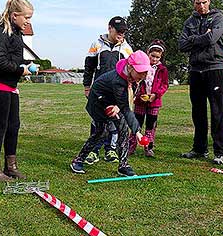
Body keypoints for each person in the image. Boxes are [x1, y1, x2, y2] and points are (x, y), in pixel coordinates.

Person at [70, 50, 151, 176]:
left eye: (145, 72)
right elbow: (125, 108)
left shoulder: (134, 79)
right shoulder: (118, 81)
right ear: (130, 67)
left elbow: (125, 101)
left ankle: (123, 165)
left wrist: (119, 107)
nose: (143, 75)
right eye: (141, 72)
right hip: (98, 102)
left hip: (113, 102)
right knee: (102, 132)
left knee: (123, 129)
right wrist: (138, 132)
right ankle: (78, 160)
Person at [0, 0, 36, 181]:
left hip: (10, 87)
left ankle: (10, 166)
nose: (28, 21)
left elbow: (12, 58)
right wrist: (20, 69)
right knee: (1, 126)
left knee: (14, 126)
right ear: (15, 16)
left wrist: (25, 65)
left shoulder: (16, 33)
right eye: (26, 17)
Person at [178, 0, 223, 165]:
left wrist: (193, 40)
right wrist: (200, 38)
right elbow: (181, 45)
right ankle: (199, 149)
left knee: (217, 112)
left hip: (214, 69)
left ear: (209, 0)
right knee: (197, 112)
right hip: (195, 70)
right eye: (198, 2)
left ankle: (220, 152)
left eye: (204, 2)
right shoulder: (189, 21)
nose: (201, 5)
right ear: (194, 3)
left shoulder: (218, 17)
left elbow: (212, 39)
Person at [83, 16, 133, 165]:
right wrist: (87, 86)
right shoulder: (97, 44)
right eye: (118, 31)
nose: (121, 35)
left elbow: (131, 71)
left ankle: (110, 149)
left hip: (117, 91)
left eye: (123, 32)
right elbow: (89, 67)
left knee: (114, 120)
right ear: (109, 28)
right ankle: (94, 151)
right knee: (97, 120)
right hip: (99, 90)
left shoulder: (126, 49)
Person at [128, 40, 169, 157]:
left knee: (151, 126)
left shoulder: (163, 70)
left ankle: (149, 147)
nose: (154, 59)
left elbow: (164, 85)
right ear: (148, 54)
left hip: (154, 103)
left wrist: (155, 95)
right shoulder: (142, 67)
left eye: (157, 57)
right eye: (152, 56)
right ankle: (131, 146)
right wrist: (140, 94)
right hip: (140, 102)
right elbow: (137, 82)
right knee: (136, 124)